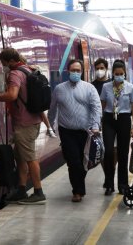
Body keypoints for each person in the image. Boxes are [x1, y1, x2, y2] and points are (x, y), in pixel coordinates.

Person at [0, 48, 46, 205]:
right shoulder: (28, 69)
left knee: (29, 158)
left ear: (10, 61)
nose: (3, 67)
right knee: (21, 157)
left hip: (24, 124)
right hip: (32, 121)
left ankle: (38, 192)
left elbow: (12, 95)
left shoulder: (15, 74)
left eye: (3, 63)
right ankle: (21, 190)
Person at [48, 59, 101, 203]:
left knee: (83, 162)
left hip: (86, 132)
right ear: (68, 71)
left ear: (82, 72)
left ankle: (78, 187)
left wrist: (96, 125)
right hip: (67, 131)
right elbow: (52, 108)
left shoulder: (89, 88)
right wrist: (50, 125)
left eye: (78, 71)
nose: (76, 73)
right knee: (73, 162)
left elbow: (96, 107)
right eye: (73, 70)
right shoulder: (59, 89)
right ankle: (77, 191)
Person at [100, 60, 133, 195]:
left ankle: (123, 184)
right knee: (108, 151)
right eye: (116, 74)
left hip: (124, 119)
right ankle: (109, 184)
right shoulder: (106, 87)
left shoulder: (131, 87)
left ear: (125, 74)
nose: (119, 76)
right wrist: (99, 120)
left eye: (121, 74)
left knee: (123, 153)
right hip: (109, 119)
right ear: (112, 74)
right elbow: (102, 104)